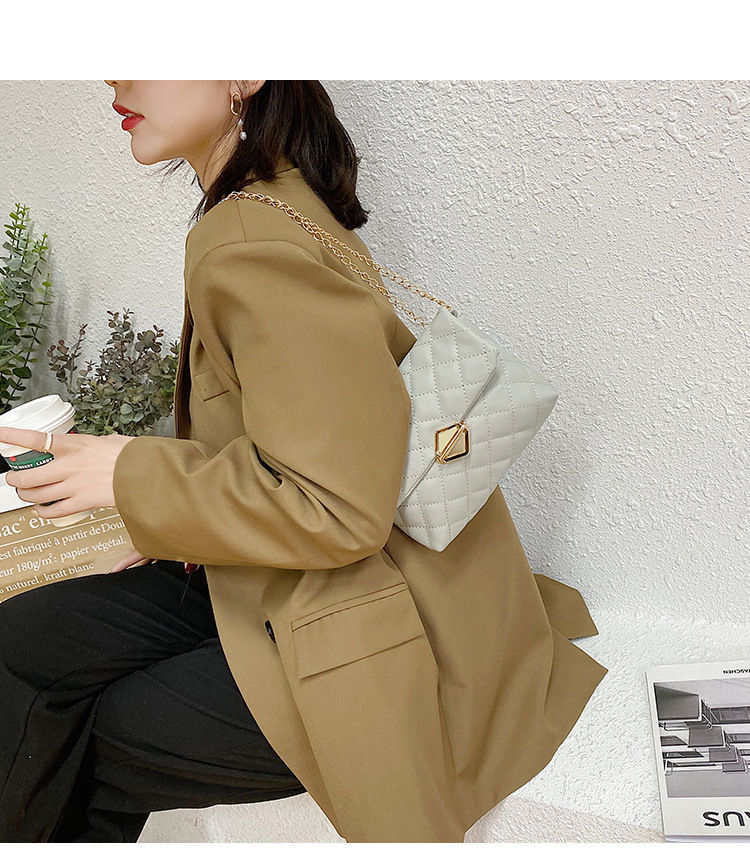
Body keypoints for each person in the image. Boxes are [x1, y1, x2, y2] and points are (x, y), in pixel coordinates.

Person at [0, 80, 608, 844]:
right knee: (20, 646)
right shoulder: (272, 201)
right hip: (278, 570)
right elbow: (291, 436)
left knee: (74, 735)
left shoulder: (248, 237)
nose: (115, 77)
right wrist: (174, 516)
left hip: (360, 618)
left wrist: (128, 472)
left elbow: (338, 507)